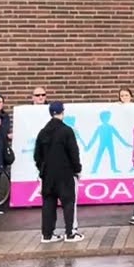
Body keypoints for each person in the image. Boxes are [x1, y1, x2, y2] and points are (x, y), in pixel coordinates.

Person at [33, 101, 84, 243]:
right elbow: (74, 152)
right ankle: (70, 233)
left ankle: (47, 235)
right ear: (62, 112)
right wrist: (77, 169)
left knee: (48, 203)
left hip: (47, 174)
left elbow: (37, 155)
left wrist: (42, 168)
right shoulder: (67, 130)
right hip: (65, 173)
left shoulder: (43, 132)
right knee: (68, 202)